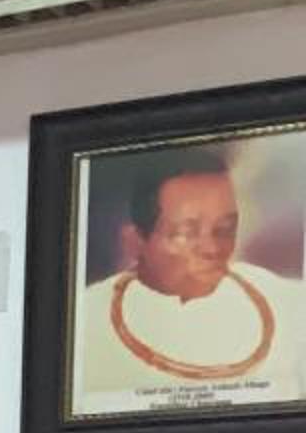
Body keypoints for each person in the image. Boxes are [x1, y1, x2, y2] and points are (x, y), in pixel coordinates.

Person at [72, 147, 305, 414]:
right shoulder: (84, 321)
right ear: (135, 241)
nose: (212, 248)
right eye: (186, 232)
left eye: (224, 229)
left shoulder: (290, 302)